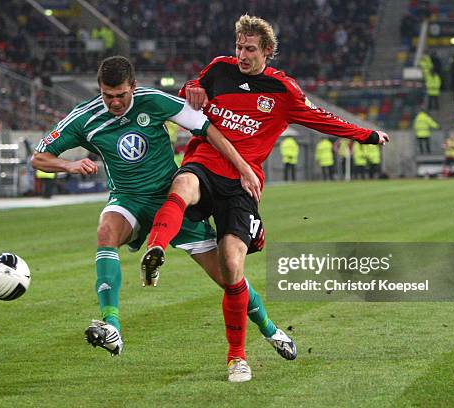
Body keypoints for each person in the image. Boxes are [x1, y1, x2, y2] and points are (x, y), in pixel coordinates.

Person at [141, 15, 389, 382]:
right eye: (239, 46)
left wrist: (366, 135)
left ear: (267, 52)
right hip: (205, 161)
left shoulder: (283, 91)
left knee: (231, 266)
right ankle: (156, 249)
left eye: (250, 49)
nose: (241, 54)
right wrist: (192, 86)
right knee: (183, 185)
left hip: (243, 183)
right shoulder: (218, 69)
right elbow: (188, 94)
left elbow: (321, 119)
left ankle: (238, 356)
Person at [30, 56, 291, 361]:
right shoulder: (84, 117)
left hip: (172, 201)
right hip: (127, 199)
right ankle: (111, 324)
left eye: (121, 96)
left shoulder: (153, 101)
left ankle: (269, 328)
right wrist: (69, 164)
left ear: (134, 87)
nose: (114, 103)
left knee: (228, 277)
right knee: (106, 232)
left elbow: (207, 129)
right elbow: (39, 157)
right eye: (107, 96)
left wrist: (243, 168)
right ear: (99, 90)